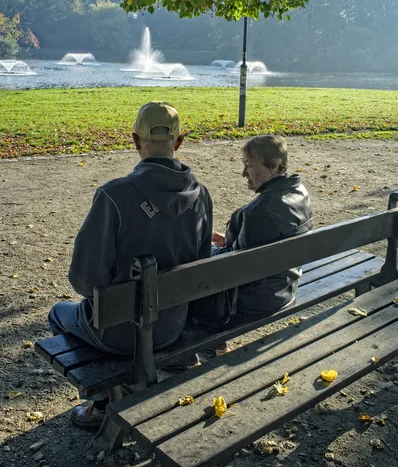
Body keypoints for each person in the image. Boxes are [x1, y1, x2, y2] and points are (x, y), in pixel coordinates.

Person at [48, 101, 212, 430]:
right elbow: (201, 267)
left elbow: (83, 280)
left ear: (135, 141)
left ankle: (103, 404)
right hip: (173, 325)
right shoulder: (201, 196)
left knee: (57, 314)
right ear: (179, 142)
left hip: (119, 334)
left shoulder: (113, 195)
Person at [190, 134, 312, 328]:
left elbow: (233, 267)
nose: (243, 173)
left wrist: (210, 249)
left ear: (274, 165)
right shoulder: (299, 192)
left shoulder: (260, 211)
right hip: (285, 286)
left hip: (256, 301)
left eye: (249, 165)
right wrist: (234, 239)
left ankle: (207, 348)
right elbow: (265, 242)